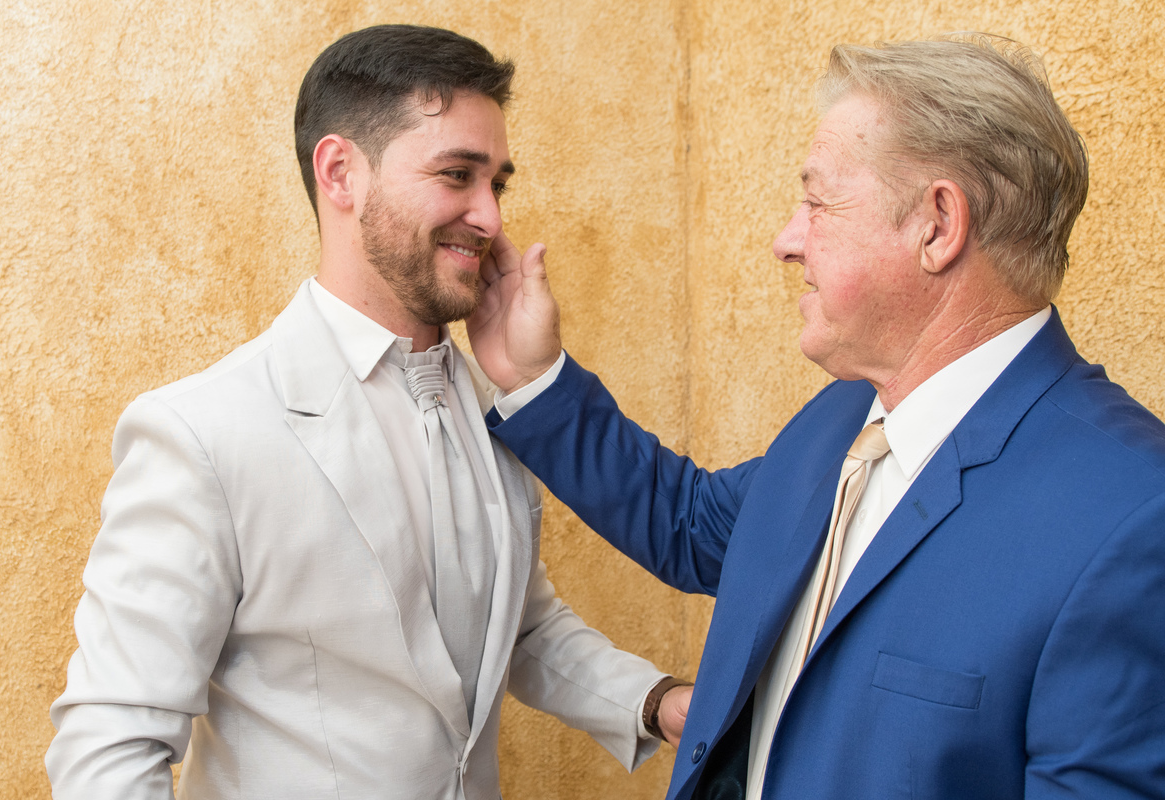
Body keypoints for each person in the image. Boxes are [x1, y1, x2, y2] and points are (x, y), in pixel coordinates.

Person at [468, 34, 1165, 800]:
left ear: (937, 225)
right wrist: (535, 379)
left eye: (817, 201)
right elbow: (694, 524)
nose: (785, 242)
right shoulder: (847, 418)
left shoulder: (1134, 519)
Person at [46, 24, 691, 800]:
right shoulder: (201, 433)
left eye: (497, 184)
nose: (490, 217)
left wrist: (658, 704)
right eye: (457, 175)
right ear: (341, 173)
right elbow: (109, 749)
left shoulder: (494, 406)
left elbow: (518, 628)